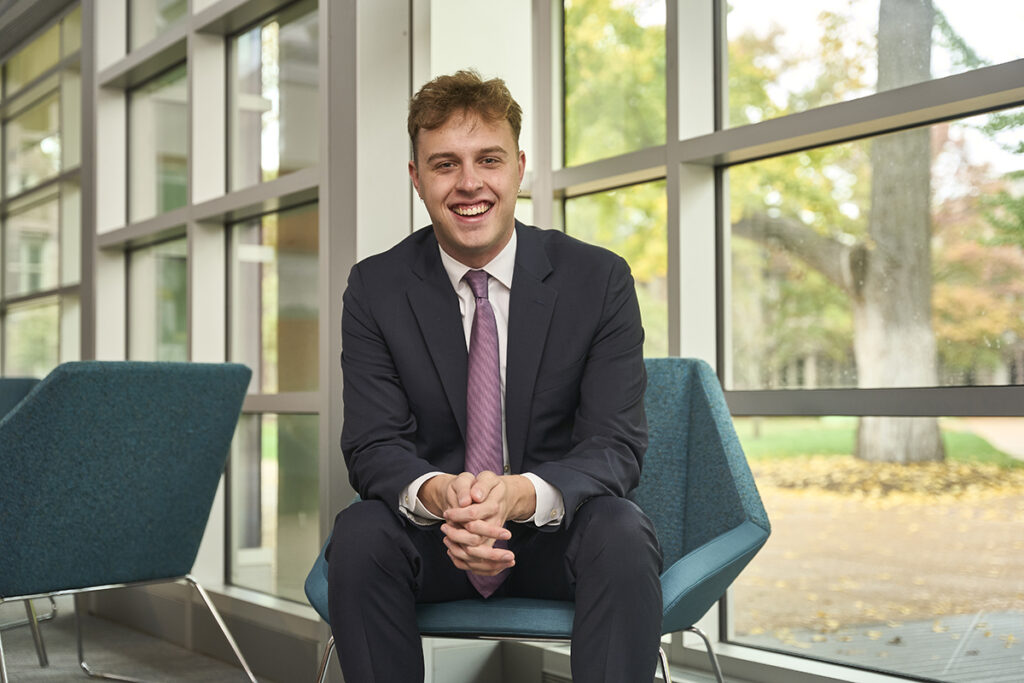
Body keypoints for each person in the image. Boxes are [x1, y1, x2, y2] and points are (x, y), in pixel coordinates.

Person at [327, 69, 662, 682]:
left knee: (621, 529)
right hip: (436, 538)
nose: (469, 183)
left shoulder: (599, 280)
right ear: (416, 178)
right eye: (445, 164)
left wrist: (518, 495)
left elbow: (615, 445)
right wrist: (441, 496)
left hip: (553, 534)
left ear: (519, 167)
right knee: (359, 534)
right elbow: (373, 443)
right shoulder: (375, 288)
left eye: (489, 159)